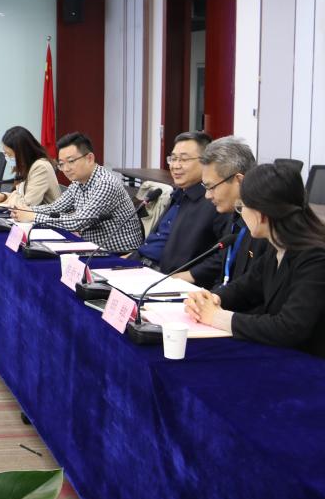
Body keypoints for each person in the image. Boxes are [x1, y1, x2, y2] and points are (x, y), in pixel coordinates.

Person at [185, 164, 325, 357]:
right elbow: (246, 287)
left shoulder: (315, 257)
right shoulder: (277, 246)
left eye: (242, 206)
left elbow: (289, 327)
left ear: (262, 215)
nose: (241, 213)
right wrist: (213, 298)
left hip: (310, 364)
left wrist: (218, 317)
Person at [12, 131, 143, 253]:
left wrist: (33, 216)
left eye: (71, 161)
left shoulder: (105, 183)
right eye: (61, 164)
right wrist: (26, 211)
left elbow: (77, 221)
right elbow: (55, 208)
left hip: (119, 254)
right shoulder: (78, 182)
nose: (66, 169)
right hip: (93, 248)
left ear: (90, 158)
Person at [176, 136, 270, 289]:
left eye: (211, 187)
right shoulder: (233, 217)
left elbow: (254, 292)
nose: (207, 195)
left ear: (239, 181)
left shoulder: (263, 229)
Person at [131, 131, 230, 273]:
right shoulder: (178, 193)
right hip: (139, 264)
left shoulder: (215, 202)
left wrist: (190, 275)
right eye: (173, 158)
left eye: (184, 159)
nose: (175, 166)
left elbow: (223, 255)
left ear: (206, 161)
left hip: (167, 276)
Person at [0, 126, 61, 208]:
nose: (6, 157)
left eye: (9, 154)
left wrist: (11, 198)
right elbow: (21, 195)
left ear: (22, 153)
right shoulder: (25, 165)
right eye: (5, 153)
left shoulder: (40, 167)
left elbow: (26, 205)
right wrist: (3, 197)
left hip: (44, 215)